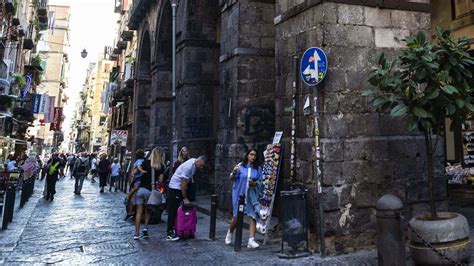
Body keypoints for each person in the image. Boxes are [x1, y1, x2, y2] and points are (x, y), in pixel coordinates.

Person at [225, 148, 262, 249]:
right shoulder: (240, 166)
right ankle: (230, 232)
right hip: (239, 195)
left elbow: (260, 182)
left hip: (251, 196)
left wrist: (254, 184)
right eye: (251, 154)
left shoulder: (257, 169)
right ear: (247, 155)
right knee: (236, 217)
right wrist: (233, 172)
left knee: (253, 216)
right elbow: (231, 179)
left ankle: (251, 240)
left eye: (254, 155)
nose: (253, 157)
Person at [166, 155, 206, 241]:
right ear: (198, 161)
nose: (201, 167)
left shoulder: (193, 163)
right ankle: (169, 232)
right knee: (173, 211)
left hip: (179, 188)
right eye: (201, 165)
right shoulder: (189, 166)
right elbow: (183, 183)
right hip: (175, 188)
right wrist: (184, 197)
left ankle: (179, 229)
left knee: (179, 211)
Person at [127, 149, 152, 240]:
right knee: (147, 209)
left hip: (139, 184)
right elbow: (137, 168)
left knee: (139, 209)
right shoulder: (144, 162)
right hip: (144, 185)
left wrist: (139, 172)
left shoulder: (138, 161)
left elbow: (134, 171)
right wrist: (143, 171)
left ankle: (137, 232)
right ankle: (145, 229)